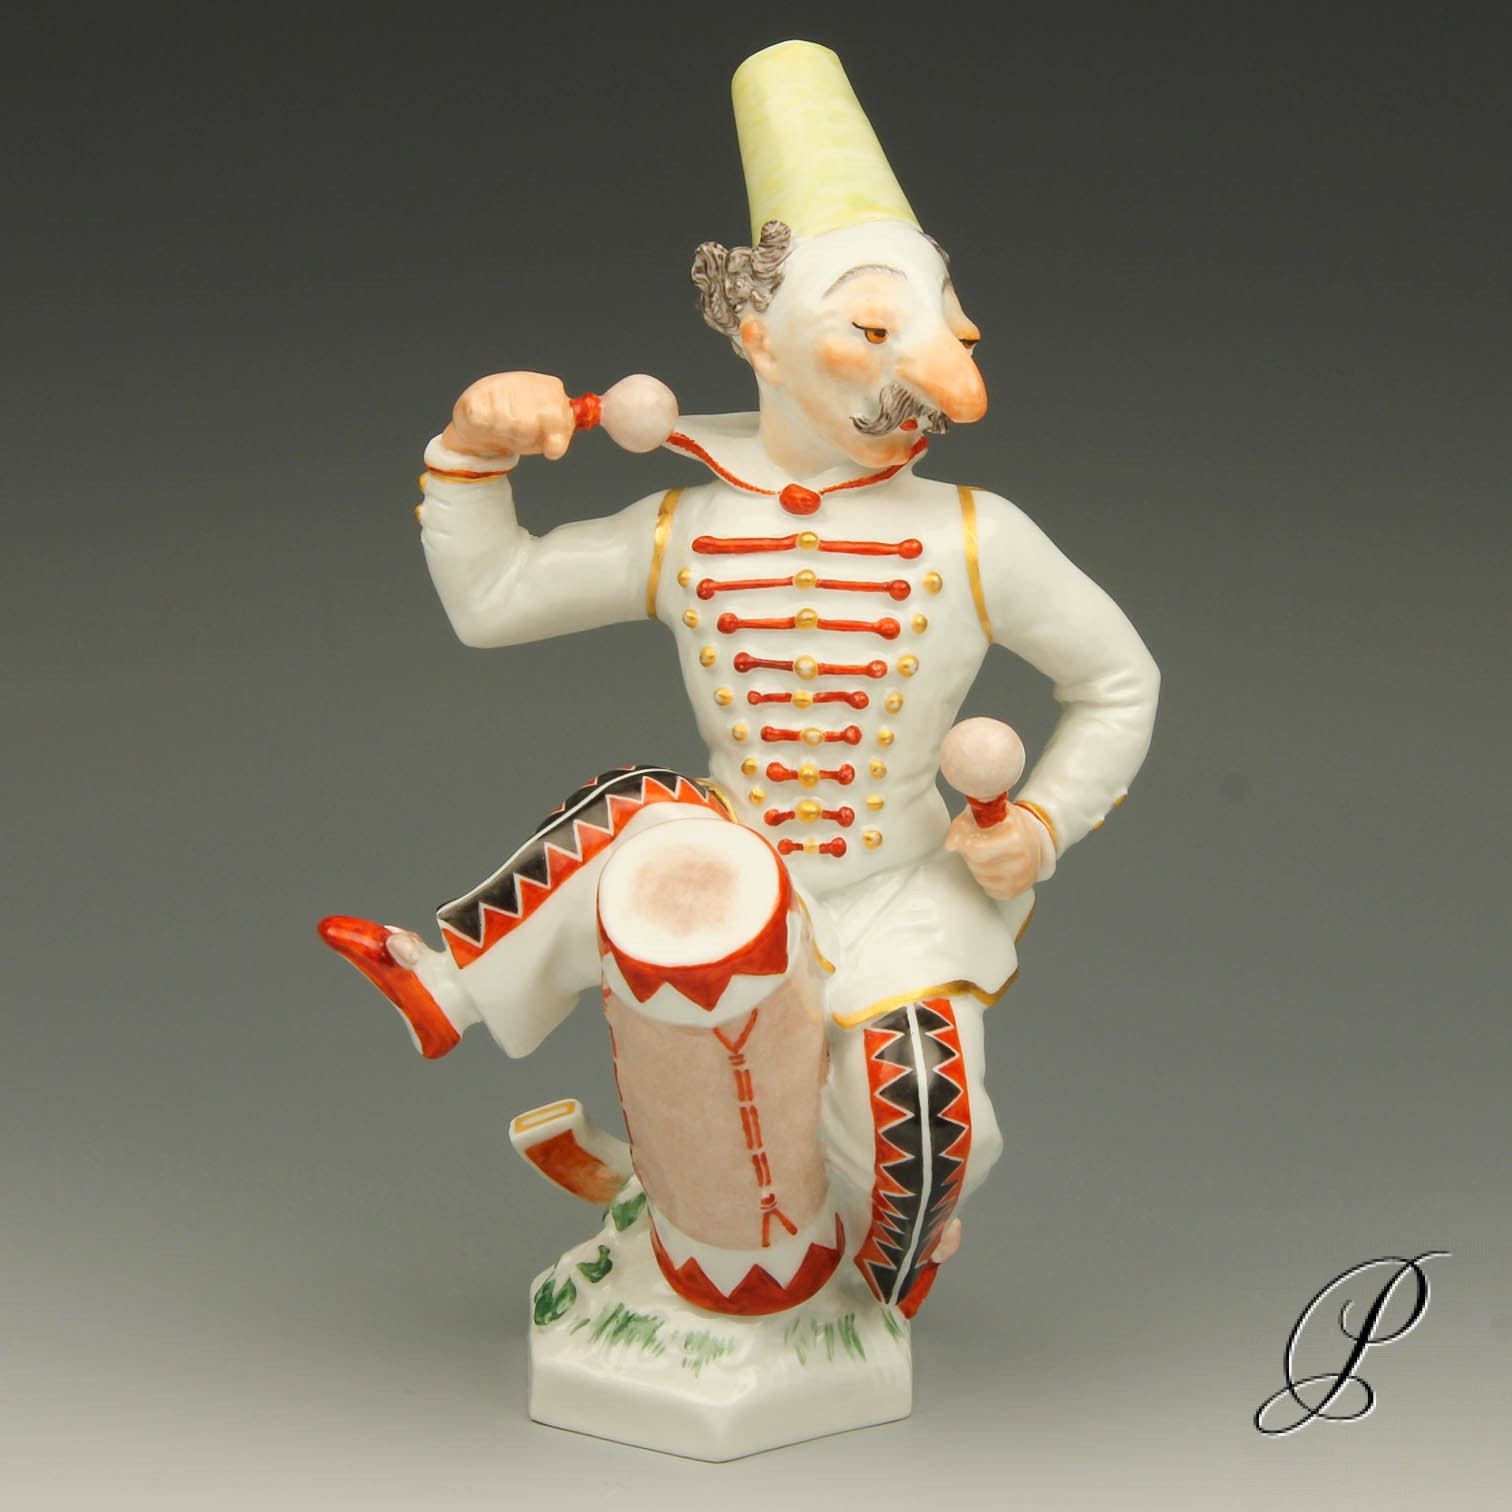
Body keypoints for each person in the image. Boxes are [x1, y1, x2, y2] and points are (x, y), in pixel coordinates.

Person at [321, 40, 1158, 1317]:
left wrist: (1039, 823)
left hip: (902, 891)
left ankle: (869, 1261)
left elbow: (1118, 683)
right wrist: (467, 456)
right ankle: (452, 985)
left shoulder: (978, 535)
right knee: (627, 813)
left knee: (939, 1134)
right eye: (870, 330)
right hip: (741, 855)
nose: (942, 380)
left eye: (946, 330)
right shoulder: (688, 526)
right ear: (761, 340)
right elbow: (493, 603)